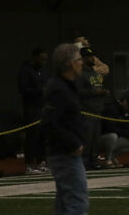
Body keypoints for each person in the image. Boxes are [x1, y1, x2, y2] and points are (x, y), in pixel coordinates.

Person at [42, 43, 88, 215]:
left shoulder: (66, 85)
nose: (82, 62)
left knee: (64, 204)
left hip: (64, 152)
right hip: (65, 154)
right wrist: (73, 144)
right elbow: (49, 123)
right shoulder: (58, 88)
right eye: (78, 59)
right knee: (77, 203)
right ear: (69, 63)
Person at [18, 47, 49, 174]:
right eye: (42, 59)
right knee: (32, 136)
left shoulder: (41, 71)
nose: (44, 62)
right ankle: (30, 164)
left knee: (43, 136)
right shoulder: (25, 71)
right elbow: (23, 89)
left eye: (46, 60)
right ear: (35, 57)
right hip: (31, 108)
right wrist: (40, 91)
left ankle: (41, 162)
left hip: (43, 108)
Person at [76, 46, 108, 169]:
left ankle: (93, 161)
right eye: (88, 57)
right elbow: (79, 92)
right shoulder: (80, 74)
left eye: (92, 56)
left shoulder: (95, 73)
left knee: (96, 139)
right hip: (87, 112)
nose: (92, 58)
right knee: (87, 139)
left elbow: (97, 87)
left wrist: (103, 92)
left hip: (97, 110)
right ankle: (84, 162)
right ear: (82, 59)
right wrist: (96, 93)